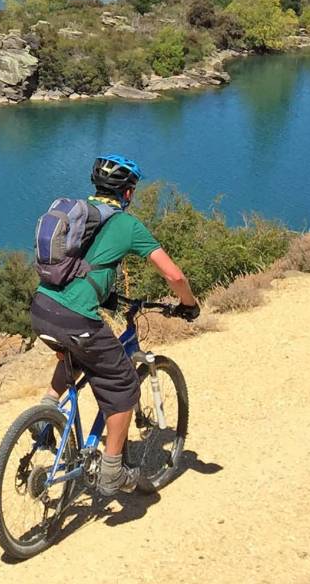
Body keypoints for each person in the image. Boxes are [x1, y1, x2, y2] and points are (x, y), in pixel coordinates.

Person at [30, 154, 201, 496]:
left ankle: (46, 412)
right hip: (76, 317)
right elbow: (174, 274)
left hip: (40, 307)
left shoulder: (79, 213)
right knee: (123, 388)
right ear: (129, 192)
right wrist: (189, 304)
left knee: (76, 355)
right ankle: (112, 473)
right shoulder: (127, 225)